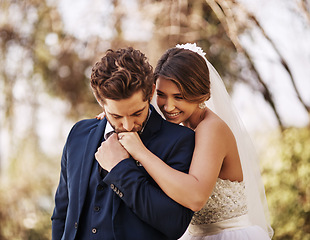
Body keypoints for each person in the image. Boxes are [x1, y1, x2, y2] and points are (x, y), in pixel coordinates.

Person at [98, 43, 273, 239]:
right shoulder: (180, 127)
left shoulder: (211, 128)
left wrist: (140, 151)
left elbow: (196, 197)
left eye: (179, 97)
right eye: (162, 95)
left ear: (201, 95)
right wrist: (117, 114)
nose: (168, 106)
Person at [51, 47, 196, 240]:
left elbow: (175, 223)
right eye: (116, 116)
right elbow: (62, 211)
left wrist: (120, 169)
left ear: (151, 91)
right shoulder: (79, 134)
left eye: (137, 113)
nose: (128, 125)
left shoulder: (178, 140)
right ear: (100, 100)